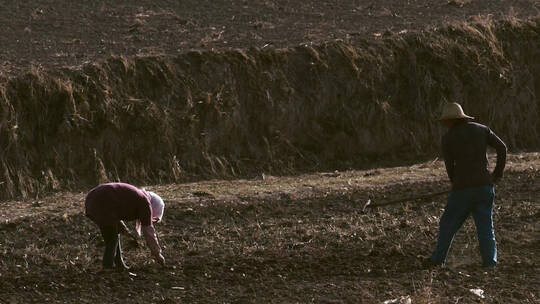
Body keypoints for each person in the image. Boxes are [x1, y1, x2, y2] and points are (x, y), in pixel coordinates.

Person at [427, 102, 506, 268]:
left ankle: (438, 259)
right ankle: (490, 262)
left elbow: (450, 166)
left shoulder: (448, 138)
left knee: (448, 224)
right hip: (485, 186)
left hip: (462, 189)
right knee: (485, 226)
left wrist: (455, 183)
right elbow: (502, 148)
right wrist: (497, 174)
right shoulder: (482, 129)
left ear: (450, 120)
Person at [85, 182, 166, 270]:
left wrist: (125, 230)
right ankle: (107, 266)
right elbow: (149, 232)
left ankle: (119, 264)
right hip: (103, 200)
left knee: (113, 234)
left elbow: (116, 217)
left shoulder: (137, 196)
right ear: (154, 207)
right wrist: (157, 254)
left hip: (91, 200)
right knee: (112, 239)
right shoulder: (145, 203)